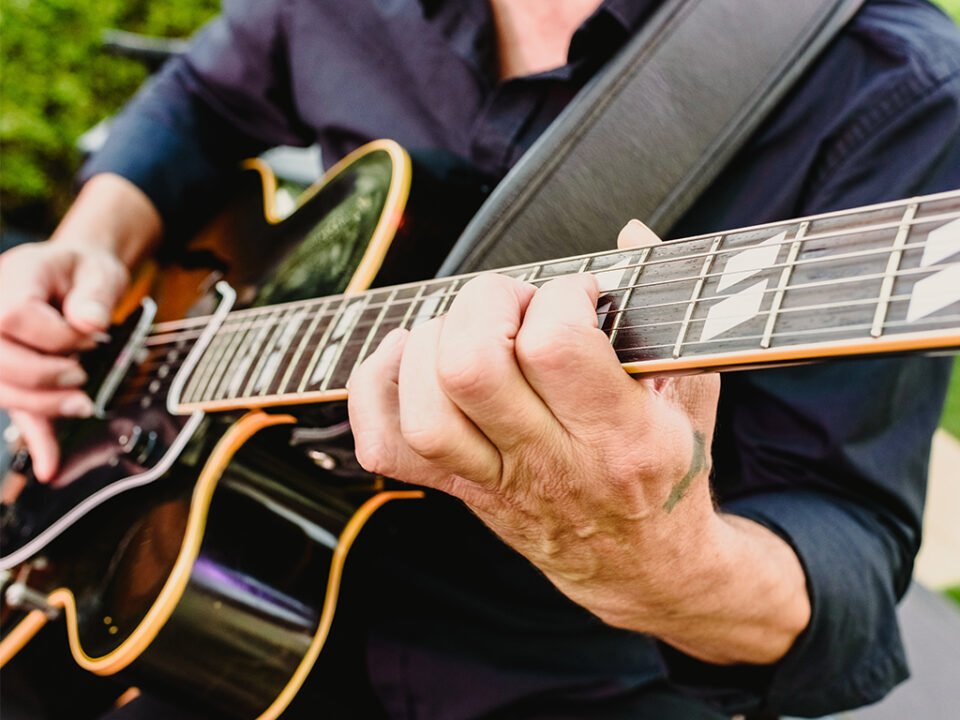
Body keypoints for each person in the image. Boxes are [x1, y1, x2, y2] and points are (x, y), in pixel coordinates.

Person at [1, 0, 959, 717]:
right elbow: (206, 95)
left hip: (563, 672)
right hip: (214, 592)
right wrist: (95, 240)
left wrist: (661, 564)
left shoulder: (893, 88)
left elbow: (848, 553)